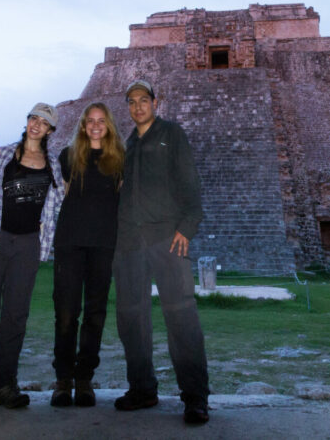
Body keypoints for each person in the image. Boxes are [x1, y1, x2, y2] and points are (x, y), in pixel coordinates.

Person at [113, 79, 210, 424]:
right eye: (132, 101)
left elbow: (190, 183)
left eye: (143, 100)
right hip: (128, 243)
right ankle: (143, 388)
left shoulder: (171, 133)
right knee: (131, 318)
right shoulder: (128, 144)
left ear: (155, 102)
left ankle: (195, 397)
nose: (138, 106)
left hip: (167, 238)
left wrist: (187, 226)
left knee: (181, 316)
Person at [0, 103, 65, 416]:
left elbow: (57, 202)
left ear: (50, 131)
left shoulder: (51, 164)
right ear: (28, 122)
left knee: (16, 315)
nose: (36, 124)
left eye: (43, 122)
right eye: (33, 118)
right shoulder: (4, 155)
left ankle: (4, 383)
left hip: (28, 245)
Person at [49, 103, 125, 407]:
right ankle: (63, 378)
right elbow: (62, 195)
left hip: (103, 244)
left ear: (108, 126)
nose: (95, 126)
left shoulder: (118, 159)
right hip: (70, 242)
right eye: (90, 121)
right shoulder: (68, 157)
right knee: (66, 313)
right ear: (82, 125)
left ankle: (84, 379)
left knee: (95, 314)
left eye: (101, 121)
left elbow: (118, 197)